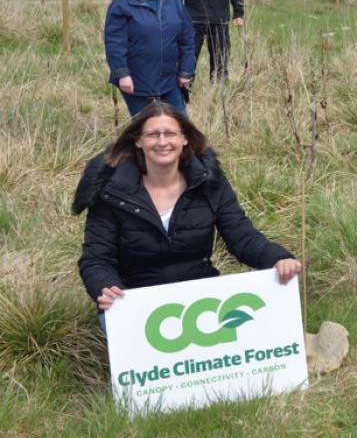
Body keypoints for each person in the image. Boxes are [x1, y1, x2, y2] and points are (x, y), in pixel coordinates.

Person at [73, 102, 302, 315]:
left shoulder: (209, 183)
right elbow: (96, 259)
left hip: (200, 295)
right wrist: (106, 288)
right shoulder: (111, 192)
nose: (162, 142)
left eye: (171, 134)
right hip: (136, 300)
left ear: (184, 139)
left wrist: (277, 258)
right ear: (138, 141)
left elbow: (241, 235)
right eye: (153, 134)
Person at [104, 0, 195, 117]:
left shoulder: (172, 1)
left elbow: (187, 38)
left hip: (169, 80)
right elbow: (115, 43)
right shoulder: (122, 4)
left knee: (180, 126)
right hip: (135, 81)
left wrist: (186, 70)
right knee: (145, 129)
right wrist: (122, 74)